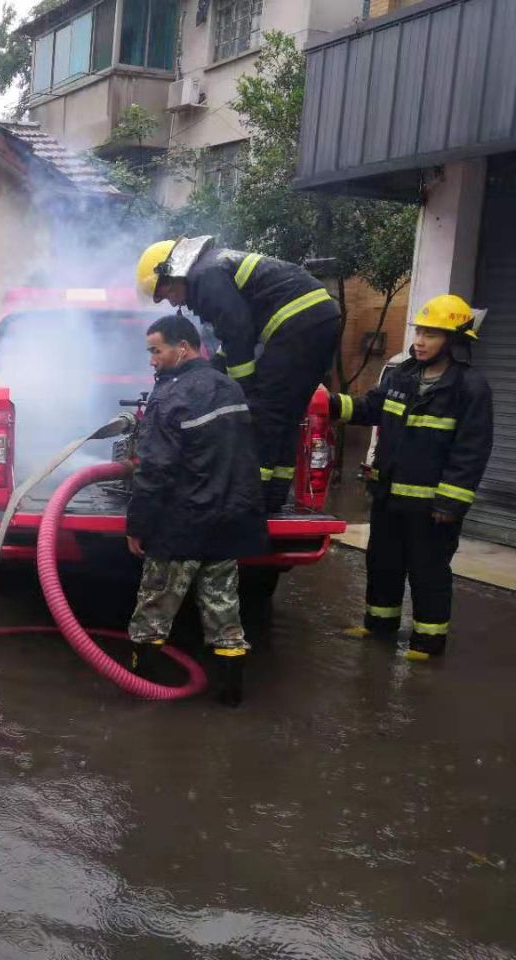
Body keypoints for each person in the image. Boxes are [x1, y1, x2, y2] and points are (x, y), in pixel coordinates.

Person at [330, 294, 493, 660]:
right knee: (383, 562)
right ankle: (378, 626)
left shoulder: (469, 388)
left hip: (432, 507)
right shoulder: (403, 376)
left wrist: (450, 502)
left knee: (428, 571)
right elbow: (371, 406)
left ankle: (427, 641)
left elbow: (471, 450)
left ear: (453, 341)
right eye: (419, 331)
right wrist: (331, 404)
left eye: (431, 334)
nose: (419, 341)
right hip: (389, 496)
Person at [136, 237, 341, 513]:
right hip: (319, 320)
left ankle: (249, 500)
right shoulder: (213, 269)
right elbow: (232, 335)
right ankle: (272, 498)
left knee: (262, 412)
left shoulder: (205, 277)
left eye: (166, 292)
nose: (171, 302)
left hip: (297, 323)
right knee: (286, 414)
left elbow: (238, 332)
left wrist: (241, 389)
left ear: (174, 272)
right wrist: (213, 371)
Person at [125, 314, 268, 704]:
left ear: (182, 347)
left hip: (181, 526)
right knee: (224, 611)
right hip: (228, 522)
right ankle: (231, 696)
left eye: (156, 350)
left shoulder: (170, 398)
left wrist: (137, 525)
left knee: (153, 612)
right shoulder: (231, 388)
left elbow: (155, 470)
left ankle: (143, 691)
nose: (152, 360)